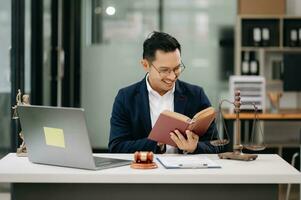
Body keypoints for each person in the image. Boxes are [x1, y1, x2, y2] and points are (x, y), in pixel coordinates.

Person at [108, 31, 221, 154]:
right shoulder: (126, 97)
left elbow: (217, 145)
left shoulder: (196, 95)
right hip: (144, 170)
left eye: (177, 68)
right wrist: (157, 142)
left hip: (185, 171)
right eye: (165, 70)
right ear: (145, 65)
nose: (172, 76)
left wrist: (195, 147)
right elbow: (116, 147)